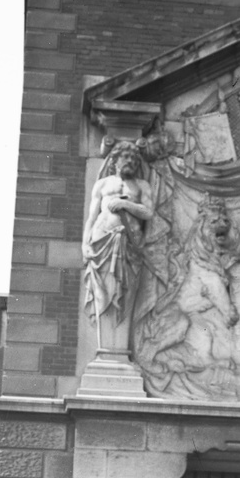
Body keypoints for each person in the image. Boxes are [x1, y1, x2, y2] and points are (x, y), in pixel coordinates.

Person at [82, 139, 154, 349]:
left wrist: (125, 204)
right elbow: (92, 217)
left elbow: (148, 212)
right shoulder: (103, 184)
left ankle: (118, 351)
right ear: (115, 160)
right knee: (103, 294)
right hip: (101, 245)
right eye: (126, 157)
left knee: (125, 295)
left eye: (134, 158)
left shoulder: (142, 186)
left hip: (129, 246)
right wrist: (84, 244)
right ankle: (106, 350)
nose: (130, 161)